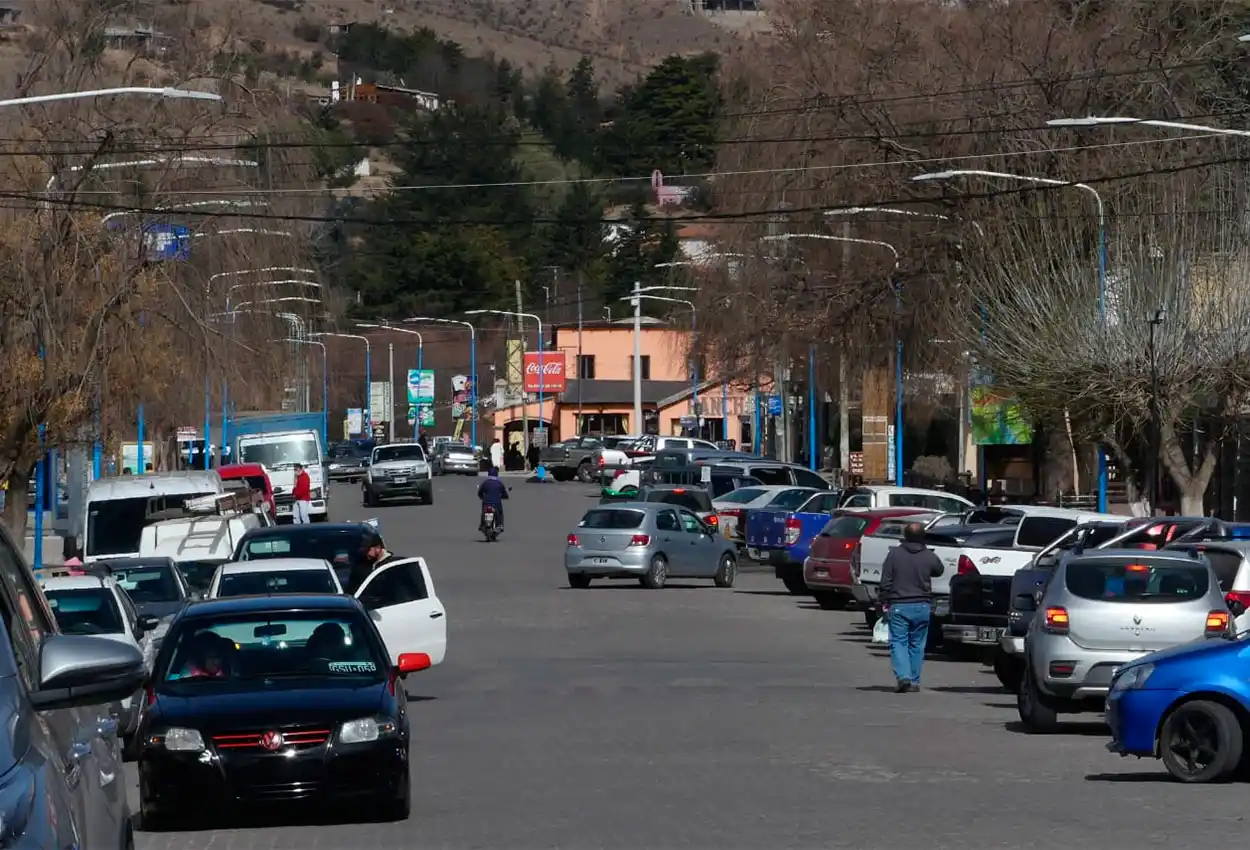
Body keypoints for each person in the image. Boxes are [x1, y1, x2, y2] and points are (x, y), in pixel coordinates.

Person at [879, 522, 945, 693]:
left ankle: (904, 677)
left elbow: (886, 580)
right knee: (917, 644)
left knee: (899, 642)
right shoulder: (929, 555)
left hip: (899, 604)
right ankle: (914, 680)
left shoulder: (894, 554)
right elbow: (939, 570)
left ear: (905, 536)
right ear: (923, 537)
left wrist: (883, 600)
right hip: (922, 606)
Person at [346, 528, 398, 594]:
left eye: (368, 549)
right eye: (363, 549)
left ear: (378, 548)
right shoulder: (360, 564)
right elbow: (351, 589)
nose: (366, 553)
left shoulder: (391, 565)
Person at [477, 467, 508, 531]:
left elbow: (480, 493)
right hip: (496, 503)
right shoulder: (499, 483)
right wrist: (504, 496)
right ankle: (499, 525)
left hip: (486, 502)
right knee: (500, 513)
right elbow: (505, 494)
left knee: (483, 512)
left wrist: (482, 498)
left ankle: (482, 524)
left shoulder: (485, 483)